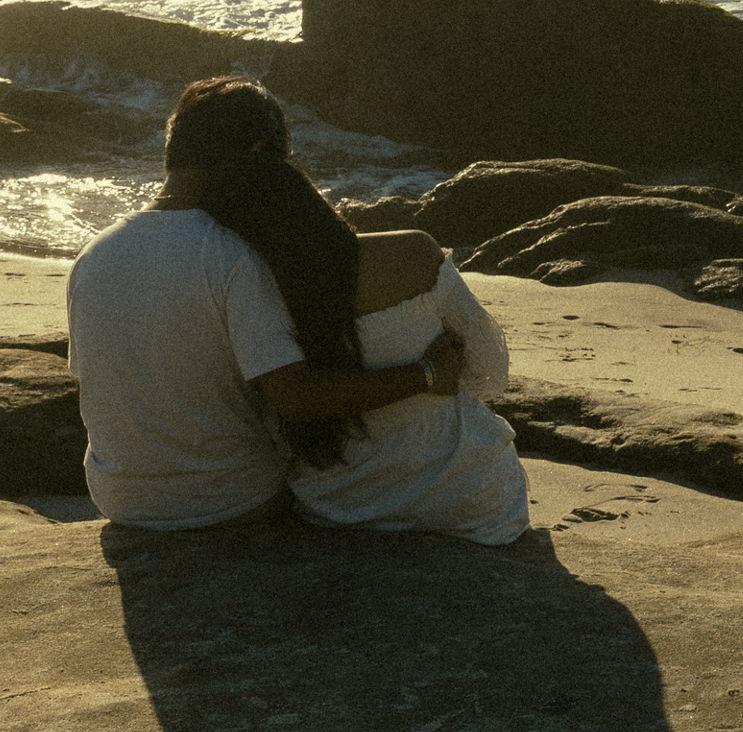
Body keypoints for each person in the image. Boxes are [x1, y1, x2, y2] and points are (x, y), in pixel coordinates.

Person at [67, 76, 527, 543]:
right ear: (261, 153)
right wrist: (424, 375)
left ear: (173, 148)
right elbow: (296, 396)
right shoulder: (233, 255)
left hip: (117, 495)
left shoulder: (92, 254)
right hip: (227, 500)